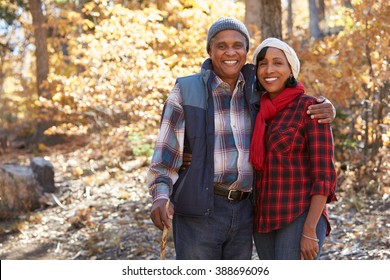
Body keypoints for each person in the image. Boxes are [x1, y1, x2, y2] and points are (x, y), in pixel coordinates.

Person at [147, 17, 335, 260]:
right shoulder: (186, 90)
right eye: (221, 46)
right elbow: (165, 156)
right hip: (200, 211)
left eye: (238, 45)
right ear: (209, 51)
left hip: (245, 211)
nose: (230, 52)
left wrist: (327, 106)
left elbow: (290, 92)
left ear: (246, 52)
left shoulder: (257, 92)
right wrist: (160, 196)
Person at [249, 37, 337, 260]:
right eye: (262, 63)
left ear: (291, 69)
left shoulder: (310, 108)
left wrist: (309, 230)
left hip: (299, 213)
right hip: (264, 218)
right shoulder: (256, 111)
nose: (269, 69)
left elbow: (324, 175)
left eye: (278, 63)